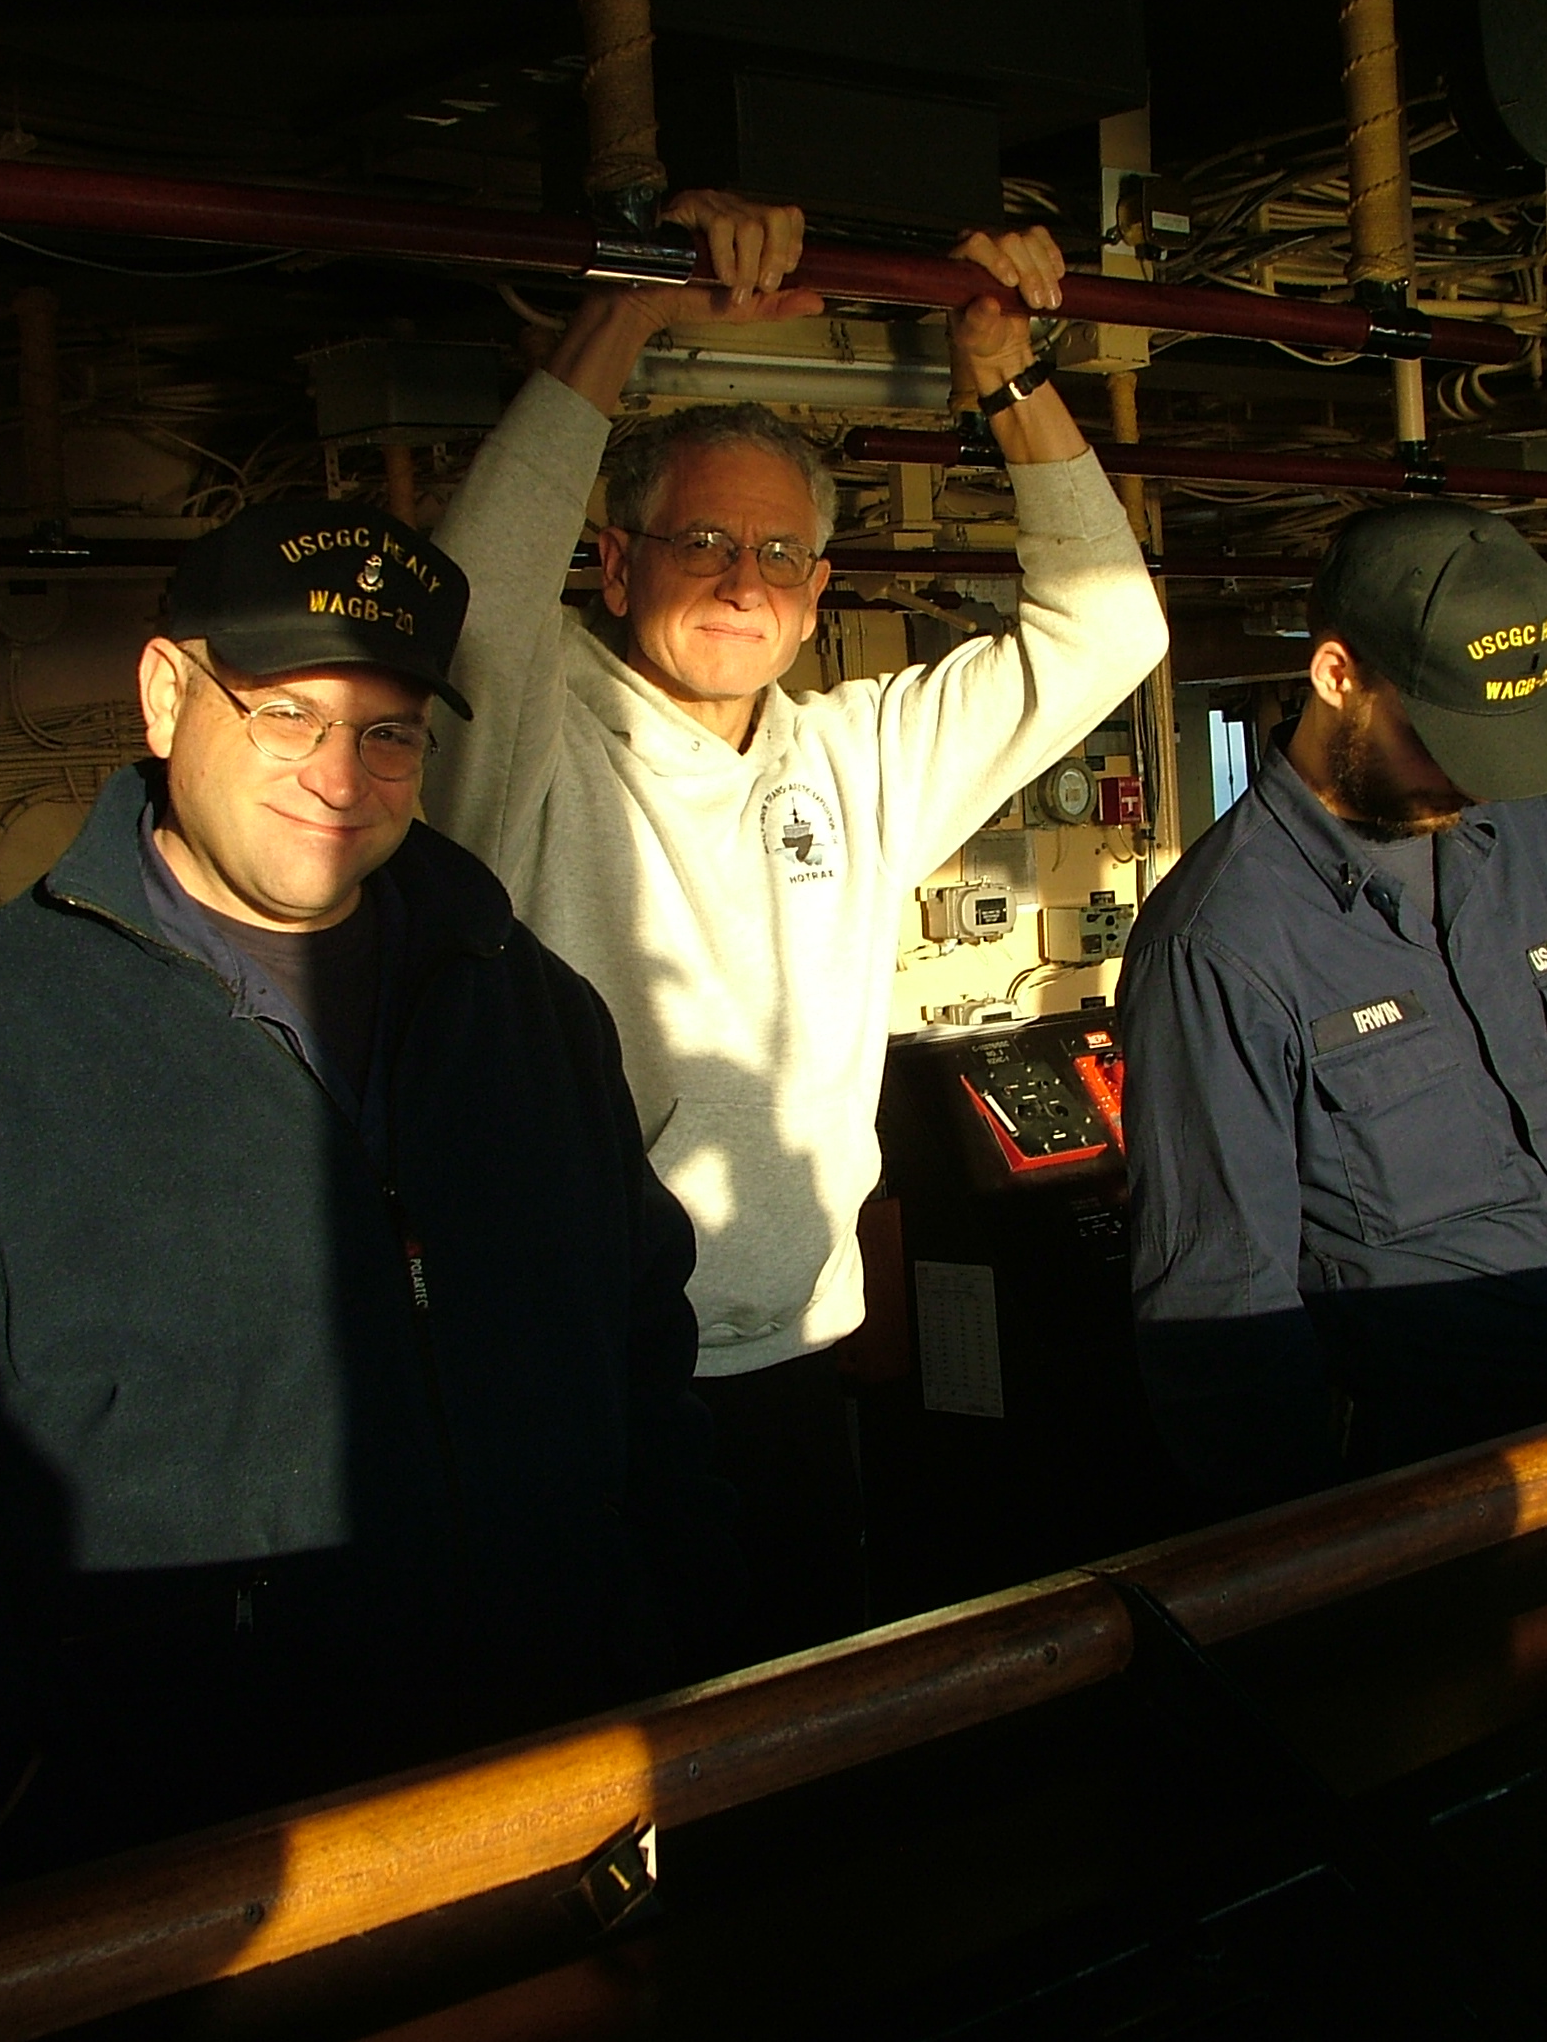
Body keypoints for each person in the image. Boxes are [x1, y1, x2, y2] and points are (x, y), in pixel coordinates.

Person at [0, 503, 731, 1874]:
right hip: (200, 1862)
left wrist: (667, 1654)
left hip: (566, 1789)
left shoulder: (528, 1006)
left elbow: (644, 1355)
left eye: (388, 734)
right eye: (287, 715)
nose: (339, 775)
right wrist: (5, 1833)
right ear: (163, 694)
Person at [427, 193, 1167, 1657]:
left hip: (796, 1365)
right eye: (700, 540)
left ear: (818, 595)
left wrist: (1006, 375)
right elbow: (472, 602)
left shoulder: (855, 758)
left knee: (807, 1728)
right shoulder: (526, 737)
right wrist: (632, 301)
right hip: (582, 1374)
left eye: (776, 556)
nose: (738, 581)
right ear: (616, 564)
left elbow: (1112, 632)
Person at [1120, 502, 1547, 1502]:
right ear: (1336, 675)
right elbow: (1221, 1302)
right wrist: (1319, 1550)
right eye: (1447, 739)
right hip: (1439, 1471)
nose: (1478, 782)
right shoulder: (1219, 943)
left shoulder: (1532, 829)